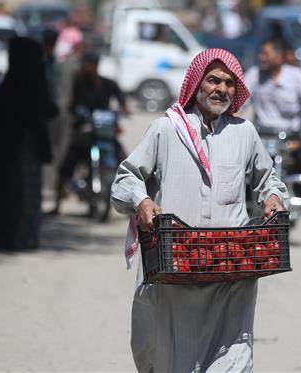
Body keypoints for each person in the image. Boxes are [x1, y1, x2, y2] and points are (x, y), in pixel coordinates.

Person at [111, 48, 288, 372]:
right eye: (213, 80)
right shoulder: (165, 130)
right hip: (176, 267)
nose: (221, 89)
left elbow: (268, 180)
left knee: (233, 356)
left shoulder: (244, 132)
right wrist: (143, 202)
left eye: (229, 83)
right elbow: (127, 177)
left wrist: (273, 198)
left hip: (232, 267)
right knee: (172, 355)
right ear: (196, 84)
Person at [0, 37, 57, 249]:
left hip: (10, 147)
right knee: (26, 194)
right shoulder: (35, 81)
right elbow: (47, 110)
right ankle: (24, 238)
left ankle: (10, 236)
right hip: (28, 148)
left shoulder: (11, 82)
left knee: (11, 192)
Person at [51, 50, 129, 215]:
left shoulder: (108, 84)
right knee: (66, 166)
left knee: (126, 162)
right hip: (85, 131)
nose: (86, 68)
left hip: (104, 132)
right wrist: (76, 113)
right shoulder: (79, 84)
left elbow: (121, 99)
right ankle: (57, 203)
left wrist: (123, 108)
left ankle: (129, 202)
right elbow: (72, 104)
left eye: (89, 65)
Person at [244, 39, 301, 179]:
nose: (261, 57)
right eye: (261, 53)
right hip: (262, 137)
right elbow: (239, 104)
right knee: (245, 177)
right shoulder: (254, 75)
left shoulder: (297, 77)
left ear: (280, 57)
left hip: (291, 137)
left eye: (265, 54)